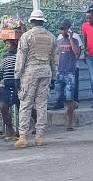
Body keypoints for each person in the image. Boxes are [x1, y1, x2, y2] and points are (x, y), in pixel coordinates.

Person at [13, 10, 59, 148]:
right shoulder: (51, 37)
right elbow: (55, 59)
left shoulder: (27, 36)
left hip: (30, 71)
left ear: (32, 22)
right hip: (46, 70)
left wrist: (17, 76)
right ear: (43, 21)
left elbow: (21, 57)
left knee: (26, 103)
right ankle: (39, 135)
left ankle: (23, 136)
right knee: (41, 104)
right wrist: (54, 77)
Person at [50, 20, 80, 131]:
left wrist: (71, 38)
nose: (63, 31)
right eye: (62, 29)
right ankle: (73, 106)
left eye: (65, 29)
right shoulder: (58, 42)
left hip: (70, 71)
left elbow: (76, 52)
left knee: (69, 98)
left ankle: (70, 123)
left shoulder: (75, 40)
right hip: (59, 71)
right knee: (59, 96)